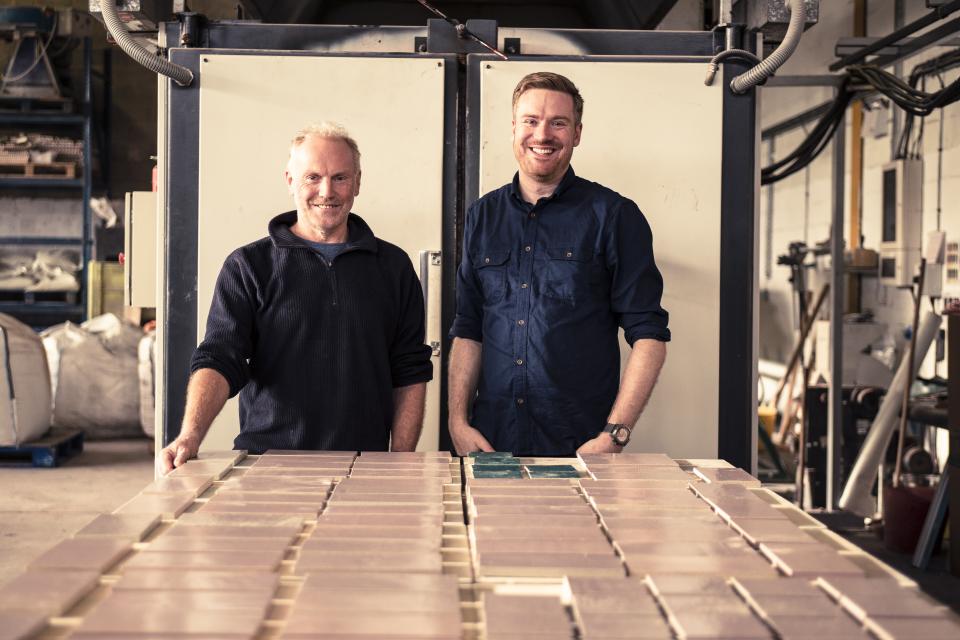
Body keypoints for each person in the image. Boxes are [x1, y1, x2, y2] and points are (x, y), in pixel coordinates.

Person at [159, 122, 433, 473]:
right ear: (290, 180)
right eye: (312, 177)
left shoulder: (393, 267)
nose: (326, 190)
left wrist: (400, 460)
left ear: (358, 183)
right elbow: (220, 357)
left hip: (363, 467)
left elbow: (409, 368)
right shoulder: (248, 266)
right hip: (267, 464)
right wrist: (190, 435)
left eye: (340, 178)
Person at [448, 72, 670, 457]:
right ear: (514, 128)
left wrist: (614, 434)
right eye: (531, 121)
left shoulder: (615, 216)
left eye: (558, 123)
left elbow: (648, 335)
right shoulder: (482, 216)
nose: (543, 134)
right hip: (490, 445)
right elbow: (469, 329)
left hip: (580, 448)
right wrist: (457, 422)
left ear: (577, 133)